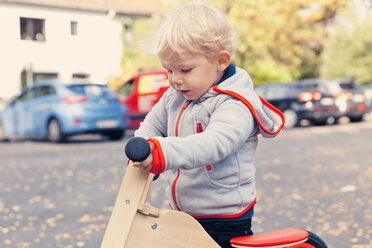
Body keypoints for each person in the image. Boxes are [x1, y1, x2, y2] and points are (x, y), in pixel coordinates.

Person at [132, 1, 285, 247]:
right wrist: (141, 147)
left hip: (223, 217)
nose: (175, 80)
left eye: (185, 69)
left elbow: (214, 144)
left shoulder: (235, 104)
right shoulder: (175, 96)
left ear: (220, 61)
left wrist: (163, 152)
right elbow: (151, 125)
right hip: (181, 212)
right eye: (168, 71)